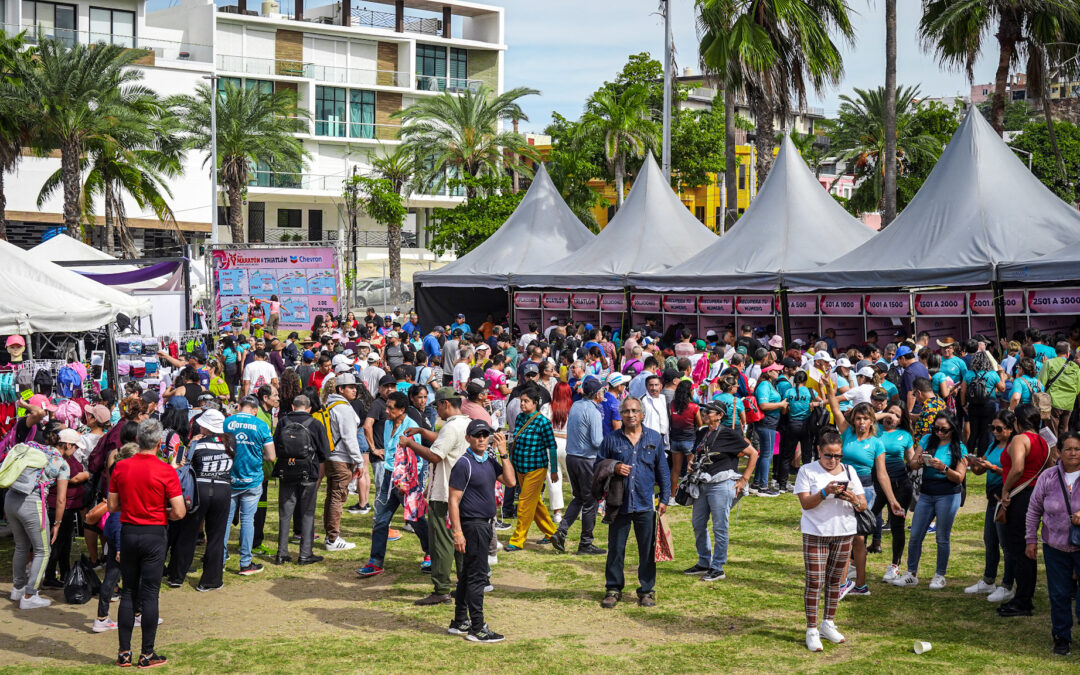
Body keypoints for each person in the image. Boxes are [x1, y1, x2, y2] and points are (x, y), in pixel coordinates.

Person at [107, 419, 186, 669]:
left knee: (128, 591)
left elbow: (111, 506)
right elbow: (180, 511)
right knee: (150, 593)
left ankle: (124, 653)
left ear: (138, 440)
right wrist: (163, 514)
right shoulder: (166, 470)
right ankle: (147, 653)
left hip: (129, 531)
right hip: (154, 533)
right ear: (160, 443)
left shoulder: (121, 467)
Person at [796, 431, 868, 652]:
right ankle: (811, 629)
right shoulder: (807, 470)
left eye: (838, 456)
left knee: (835, 582)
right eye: (828, 455)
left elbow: (863, 504)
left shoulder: (849, 470)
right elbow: (806, 503)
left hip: (844, 532)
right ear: (819, 450)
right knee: (815, 582)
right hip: (816, 532)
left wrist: (853, 498)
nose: (833, 460)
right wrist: (825, 492)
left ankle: (828, 623)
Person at [827, 388, 902, 597]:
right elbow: (834, 407)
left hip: (865, 491)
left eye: (865, 419)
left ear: (872, 422)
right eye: (858, 418)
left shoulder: (877, 443)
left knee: (858, 539)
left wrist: (892, 500)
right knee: (841, 535)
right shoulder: (847, 432)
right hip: (842, 488)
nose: (861, 422)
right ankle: (843, 581)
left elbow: (882, 475)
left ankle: (859, 584)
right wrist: (828, 387)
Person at [446, 420, 516, 643]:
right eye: (477, 435)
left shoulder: (489, 460)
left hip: (486, 524)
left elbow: (511, 481)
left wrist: (504, 454)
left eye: (485, 435)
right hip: (473, 525)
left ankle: (460, 621)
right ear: (468, 438)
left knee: (468, 574)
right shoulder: (464, 464)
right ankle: (477, 627)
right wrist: (457, 532)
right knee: (478, 577)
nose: (482, 439)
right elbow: (453, 501)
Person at [399, 387, 470, 606]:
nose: (436, 410)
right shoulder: (466, 423)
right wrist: (421, 431)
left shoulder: (451, 428)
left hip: (444, 492)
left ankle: (441, 588)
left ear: (445, 404)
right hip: (464, 491)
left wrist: (410, 444)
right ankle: (464, 585)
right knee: (461, 541)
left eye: (437, 405)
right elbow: (441, 440)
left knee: (441, 542)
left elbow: (435, 455)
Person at [598, 396, 670, 609]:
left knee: (647, 550)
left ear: (642, 414)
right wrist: (614, 467)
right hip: (619, 503)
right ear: (621, 414)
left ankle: (646, 591)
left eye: (634, 411)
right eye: (627, 411)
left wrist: (665, 498)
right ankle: (613, 588)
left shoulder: (654, 438)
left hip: (645, 504)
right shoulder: (611, 439)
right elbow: (598, 465)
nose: (631, 415)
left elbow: (663, 471)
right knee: (616, 548)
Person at [356, 392, 429, 578]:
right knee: (380, 520)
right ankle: (375, 562)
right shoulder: (388, 423)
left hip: (406, 480)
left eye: (391, 408)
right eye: (386, 407)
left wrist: (409, 483)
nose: (386, 411)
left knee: (416, 519)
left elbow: (418, 460)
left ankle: (431, 553)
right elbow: (389, 449)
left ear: (402, 410)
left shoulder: (411, 428)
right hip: (389, 477)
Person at [892, 412, 967, 590]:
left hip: (948, 494)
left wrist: (943, 468)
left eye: (944, 429)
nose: (939, 432)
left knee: (942, 537)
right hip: (926, 493)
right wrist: (921, 462)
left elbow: (959, 477)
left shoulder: (959, 447)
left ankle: (940, 575)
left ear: (953, 429)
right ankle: (911, 573)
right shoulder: (927, 439)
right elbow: (912, 464)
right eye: (936, 428)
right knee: (916, 534)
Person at [684, 401, 757, 582]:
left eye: (708, 411)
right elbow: (696, 453)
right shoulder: (702, 432)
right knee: (698, 524)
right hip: (702, 483)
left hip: (721, 484)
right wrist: (691, 462)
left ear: (719, 415)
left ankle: (717, 567)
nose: (705, 413)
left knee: (719, 526)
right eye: (704, 411)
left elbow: (753, 453)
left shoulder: (729, 434)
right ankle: (703, 562)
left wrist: (744, 479)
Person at [1025, 432, 1080, 656]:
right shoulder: (1048, 477)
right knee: (1059, 594)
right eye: (1069, 449)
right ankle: (1061, 638)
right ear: (1059, 451)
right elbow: (1033, 510)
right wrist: (1031, 539)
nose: (1073, 453)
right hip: (1054, 546)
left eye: (1077, 449)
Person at [5, 425, 70, 610]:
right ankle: (29, 595)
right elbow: (61, 499)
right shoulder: (62, 464)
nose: (75, 452)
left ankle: (18, 588)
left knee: (21, 546)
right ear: (67, 445)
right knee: (43, 550)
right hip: (32, 503)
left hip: (10, 499)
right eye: (75, 447)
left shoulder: (34, 446)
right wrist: (57, 524)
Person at [997, 404, 1051, 617]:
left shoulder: (1020, 439)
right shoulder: (1045, 441)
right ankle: (1024, 595)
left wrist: (1005, 489)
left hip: (1021, 496)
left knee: (1019, 547)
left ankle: (1023, 599)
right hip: (1035, 495)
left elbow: (1018, 467)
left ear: (1017, 422)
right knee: (1027, 546)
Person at [964, 409, 1016, 602]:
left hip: (1005, 498)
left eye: (999, 428)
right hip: (992, 498)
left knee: (1006, 543)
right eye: (992, 427)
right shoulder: (994, 445)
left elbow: (1015, 472)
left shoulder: (1013, 446)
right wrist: (975, 463)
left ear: (1010, 429)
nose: (994, 431)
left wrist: (992, 468)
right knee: (990, 539)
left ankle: (1008, 584)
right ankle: (988, 579)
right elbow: (979, 471)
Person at [272, 395, 329, 566]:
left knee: (285, 513)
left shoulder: (283, 422)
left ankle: (281, 553)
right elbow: (325, 452)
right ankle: (305, 554)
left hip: (286, 471)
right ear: (310, 408)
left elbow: (275, 446)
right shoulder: (316, 423)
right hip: (308, 472)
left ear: (292, 406)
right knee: (307, 513)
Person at [551, 378, 606, 555]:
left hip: (572, 457)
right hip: (586, 460)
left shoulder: (575, 406)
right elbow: (597, 441)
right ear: (597, 394)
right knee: (590, 501)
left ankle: (561, 530)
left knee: (579, 498)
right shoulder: (593, 411)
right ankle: (585, 543)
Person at [223, 397, 276, 575]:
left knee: (226, 521)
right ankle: (245, 562)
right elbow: (271, 456)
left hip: (229, 477)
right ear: (255, 410)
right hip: (252, 479)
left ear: (238, 407)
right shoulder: (261, 425)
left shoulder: (227, 422)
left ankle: (220, 559)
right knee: (248, 520)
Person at [507, 387, 559, 551]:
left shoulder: (543, 422)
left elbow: (552, 447)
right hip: (520, 467)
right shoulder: (520, 417)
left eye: (526, 401)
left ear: (535, 403)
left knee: (523, 504)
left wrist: (554, 470)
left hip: (536, 468)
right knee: (534, 503)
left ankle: (517, 540)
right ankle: (552, 532)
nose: (522, 404)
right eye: (521, 401)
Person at [874, 404, 916, 580]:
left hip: (900, 484)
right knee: (866, 519)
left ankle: (894, 565)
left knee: (897, 525)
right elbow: (864, 418)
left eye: (896, 415)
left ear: (901, 420)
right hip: (876, 483)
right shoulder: (873, 430)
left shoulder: (905, 436)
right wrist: (883, 414)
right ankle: (853, 560)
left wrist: (920, 461)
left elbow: (912, 461)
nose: (892, 416)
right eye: (890, 412)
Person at [323, 373, 365, 552]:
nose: (354, 389)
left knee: (332, 496)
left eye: (355, 386)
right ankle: (333, 538)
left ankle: (330, 536)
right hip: (341, 458)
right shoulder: (343, 408)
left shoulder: (329, 404)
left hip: (331, 456)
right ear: (341, 389)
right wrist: (359, 461)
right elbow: (349, 438)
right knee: (337, 497)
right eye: (350, 387)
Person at [752, 363, 788, 495]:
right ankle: (763, 487)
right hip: (766, 423)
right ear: (769, 372)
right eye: (776, 370)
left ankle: (756, 483)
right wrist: (780, 404)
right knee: (767, 455)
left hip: (769, 423)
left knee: (764, 454)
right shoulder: (764, 385)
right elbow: (763, 405)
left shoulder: (768, 384)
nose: (779, 372)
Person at [779, 371, 819, 487]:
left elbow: (784, 410)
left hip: (792, 425)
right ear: (805, 381)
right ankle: (806, 483)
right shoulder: (809, 391)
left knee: (787, 455)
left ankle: (782, 484)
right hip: (806, 426)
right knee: (806, 456)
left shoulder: (788, 392)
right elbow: (822, 401)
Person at [962, 351, 1005, 458]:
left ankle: (969, 456)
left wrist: (963, 404)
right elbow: (1002, 388)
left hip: (973, 405)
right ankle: (981, 456)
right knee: (985, 433)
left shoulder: (969, 374)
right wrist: (1001, 374)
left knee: (974, 432)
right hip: (989, 405)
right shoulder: (992, 374)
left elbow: (963, 391)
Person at [1038, 342, 1080, 451]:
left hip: (1053, 402)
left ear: (1056, 351)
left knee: (1052, 432)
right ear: (1068, 352)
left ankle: (1054, 458)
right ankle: (1065, 454)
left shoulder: (1048, 363)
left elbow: (1041, 383)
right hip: (1069, 403)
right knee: (1064, 430)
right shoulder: (1075, 366)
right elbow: (1078, 388)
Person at [668, 379, 702, 503]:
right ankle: (692, 496)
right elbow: (700, 424)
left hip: (675, 440)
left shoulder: (672, 405)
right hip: (690, 441)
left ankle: (672, 496)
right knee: (691, 469)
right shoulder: (694, 407)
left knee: (675, 470)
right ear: (690, 392)